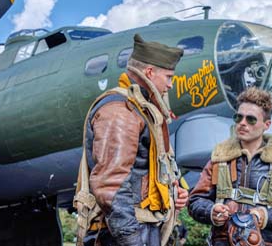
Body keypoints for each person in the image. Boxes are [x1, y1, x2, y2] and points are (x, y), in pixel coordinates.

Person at [75, 34, 189, 246]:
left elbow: (144, 173)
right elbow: (112, 187)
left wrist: (173, 193)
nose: (171, 85)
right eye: (168, 77)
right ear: (149, 72)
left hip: (139, 231)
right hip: (123, 235)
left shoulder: (141, 109)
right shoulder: (120, 111)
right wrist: (132, 240)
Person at [187, 87, 272, 245]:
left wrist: (265, 215)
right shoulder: (219, 158)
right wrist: (212, 211)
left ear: (267, 124)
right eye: (238, 117)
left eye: (251, 119)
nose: (242, 123)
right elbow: (195, 201)